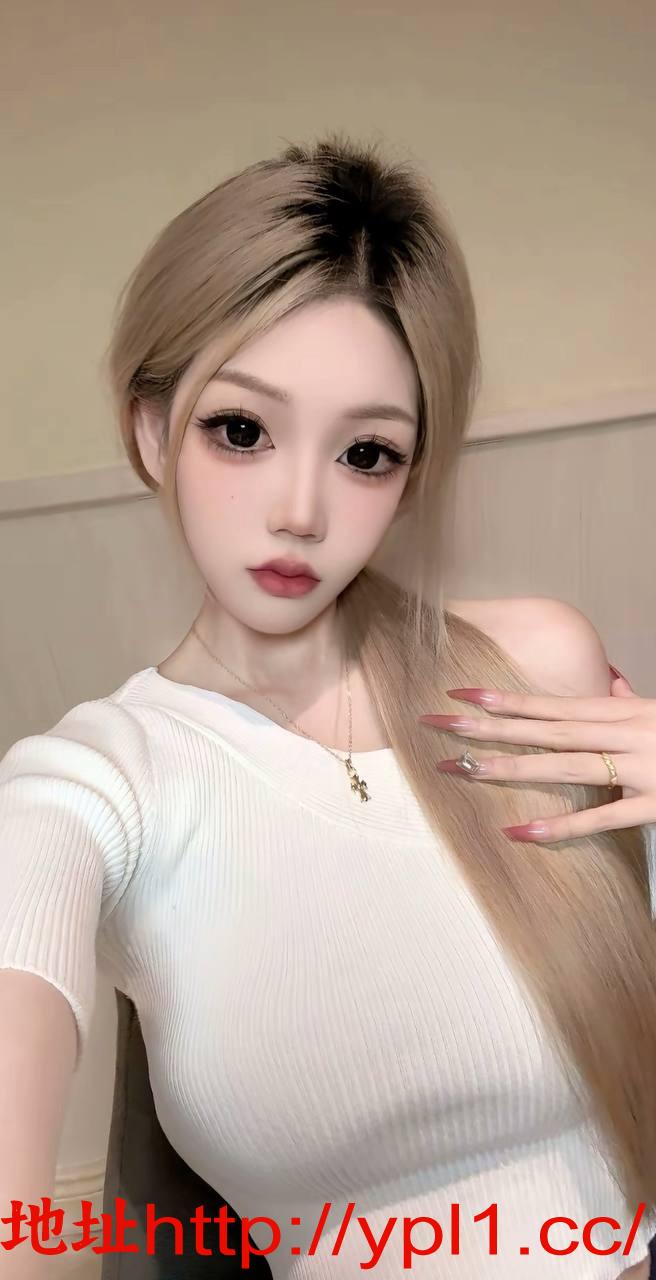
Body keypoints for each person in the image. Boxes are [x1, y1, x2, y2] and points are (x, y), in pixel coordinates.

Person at [1, 133, 654, 1279]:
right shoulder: (93, 783)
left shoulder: (529, 670)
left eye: (364, 452)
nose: (299, 510)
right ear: (151, 428)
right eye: (240, 431)